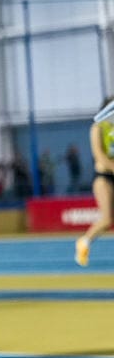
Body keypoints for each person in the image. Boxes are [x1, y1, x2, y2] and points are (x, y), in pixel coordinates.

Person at [74, 103, 113, 266]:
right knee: (106, 219)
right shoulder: (97, 128)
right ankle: (84, 242)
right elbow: (99, 155)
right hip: (104, 178)